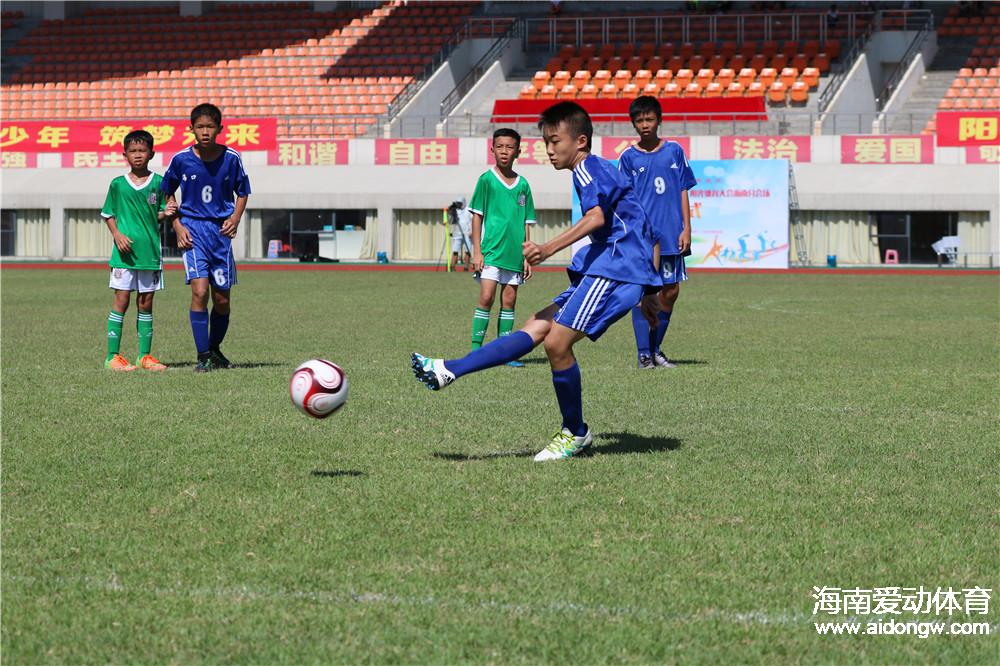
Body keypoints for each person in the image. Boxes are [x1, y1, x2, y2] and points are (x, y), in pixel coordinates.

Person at [412, 102, 661, 462]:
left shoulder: (588, 168)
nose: (548, 150)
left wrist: (547, 247)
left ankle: (575, 432)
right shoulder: (600, 168)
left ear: (580, 141)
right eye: (544, 141)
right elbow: (644, 227)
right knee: (536, 327)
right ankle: (449, 369)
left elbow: (596, 217)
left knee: (557, 343)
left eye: (554, 141)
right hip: (613, 268)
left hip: (615, 270)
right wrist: (649, 289)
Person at [161, 103, 251, 372]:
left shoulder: (232, 158)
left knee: (222, 299)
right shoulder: (181, 159)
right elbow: (168, 191)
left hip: (220, 235)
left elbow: (243, 191)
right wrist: (177, 226)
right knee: (199, 292)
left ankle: (214, 350)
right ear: (191, 129)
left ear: (220, 129)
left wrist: (234, 219)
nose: (205, 132)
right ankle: (202, 356)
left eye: (210, 126)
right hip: (193, 231)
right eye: (199, 127)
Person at [619, 96, 697, 369]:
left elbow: (683, 189)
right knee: (643, 294)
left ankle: (655, 349)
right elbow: (624, 199)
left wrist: (687, 227)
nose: (644, 125)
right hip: (642, 239)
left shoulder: (674, 151)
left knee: (671, 291)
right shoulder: (628, 158)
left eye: (649, 119)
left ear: (659, 120)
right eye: (639, 120)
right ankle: (643, 353)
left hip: (672, 235)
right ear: (633, 124)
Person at [101, 130, 177, 371]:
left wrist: (169, 212)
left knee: (146, 302)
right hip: (124, 255)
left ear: (151, 154)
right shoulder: (117, 184)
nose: (137, 155)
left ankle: (144, 356)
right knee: (121, 300)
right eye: (132, 151)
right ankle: (112, 357)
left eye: (142, 151)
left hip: (150, 253)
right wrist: (117, 235)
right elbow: (108, 214)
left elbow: (160, 213)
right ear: (124, 155)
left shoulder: (159, 182)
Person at [468, 128, 536, 368]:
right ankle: (476, 351)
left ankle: (505, 353)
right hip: (491, 252)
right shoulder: (486, 180)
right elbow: (476, 216)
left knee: (509, 301)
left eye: (509, 147)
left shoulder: (523, 185)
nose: (504, 151)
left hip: (514, 254)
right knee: (486, 297)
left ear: (518, 151)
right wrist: (477, 251)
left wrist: (526, 256)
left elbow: (526, 223)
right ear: (492, 149)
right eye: (500, 146)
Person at [449, 197, 473, 271]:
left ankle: (466, 267)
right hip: (457, 233)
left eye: (460, 203)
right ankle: (452, 267)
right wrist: (451, 212)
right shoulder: (455, 211)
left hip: (467, 233)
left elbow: (473, 220)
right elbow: (451, 221)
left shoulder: (468, 210)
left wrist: (472, 231)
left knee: (467, 251)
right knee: (455, 250)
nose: (458, 205)